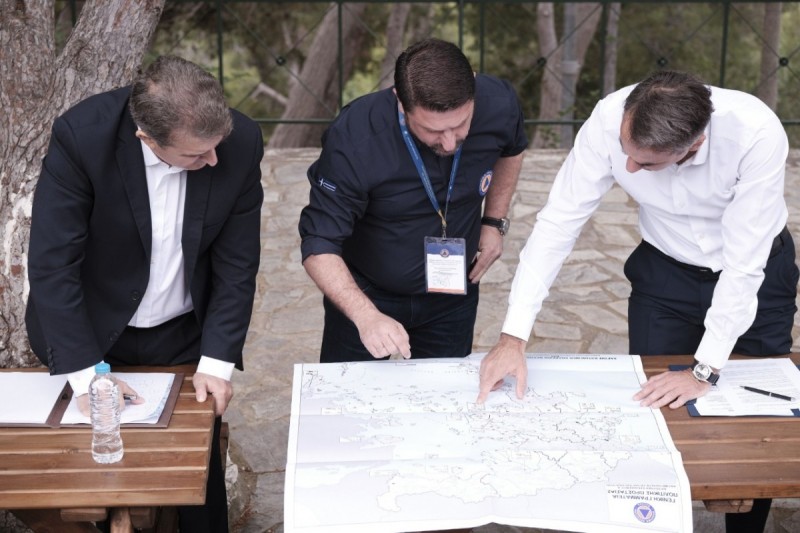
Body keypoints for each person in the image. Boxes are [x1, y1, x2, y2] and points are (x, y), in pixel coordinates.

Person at [477, 69, 797, 532]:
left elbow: (745, 265)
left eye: (644, 165)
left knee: (755, 420)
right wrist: (513, 336)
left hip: (758, 275)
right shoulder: (608, 118)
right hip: (663, 273)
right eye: (625, 151)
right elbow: (558, 224)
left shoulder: (755, 133)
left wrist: (705, 370)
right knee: (651, 410)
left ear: (694, 145)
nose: (627, 169)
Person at [26, 55, 264, 533]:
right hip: (93, 331)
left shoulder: (239, 142)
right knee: (95, 473)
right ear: (146, 137)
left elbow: (237, 264)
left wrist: (217, 362)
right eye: (196, 155)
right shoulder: (82, 137)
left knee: (196, 475)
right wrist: (88, 378)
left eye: (216, 147)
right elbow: (53, 265)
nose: (213, 162)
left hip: (183, 334)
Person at [298, 38, 528, 363]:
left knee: (444, 392)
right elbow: (319, 244)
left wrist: (493, 221)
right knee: (349, 393)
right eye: (433, 131)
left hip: (453, 295)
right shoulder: (354, 135)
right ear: (400, 101)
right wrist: (365, 315)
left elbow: (512, 148)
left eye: (460, 125)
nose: (449, 143)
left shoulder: (499, 102)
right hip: (367, 293)